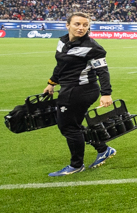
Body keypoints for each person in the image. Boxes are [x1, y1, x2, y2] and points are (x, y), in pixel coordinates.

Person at [44, 12, 117, 176]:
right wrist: (51, 83)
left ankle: (76, 165)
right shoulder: (62, 41)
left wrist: (106, 94)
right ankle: (103, 149)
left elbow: (103, 72)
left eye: (85, 25)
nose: (81, 28)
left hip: (81, 90)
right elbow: (61, 65)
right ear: (67, 25)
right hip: (68, 88)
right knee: (72, 125)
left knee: (68, 127)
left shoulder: (93, 47)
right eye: (77, 24)